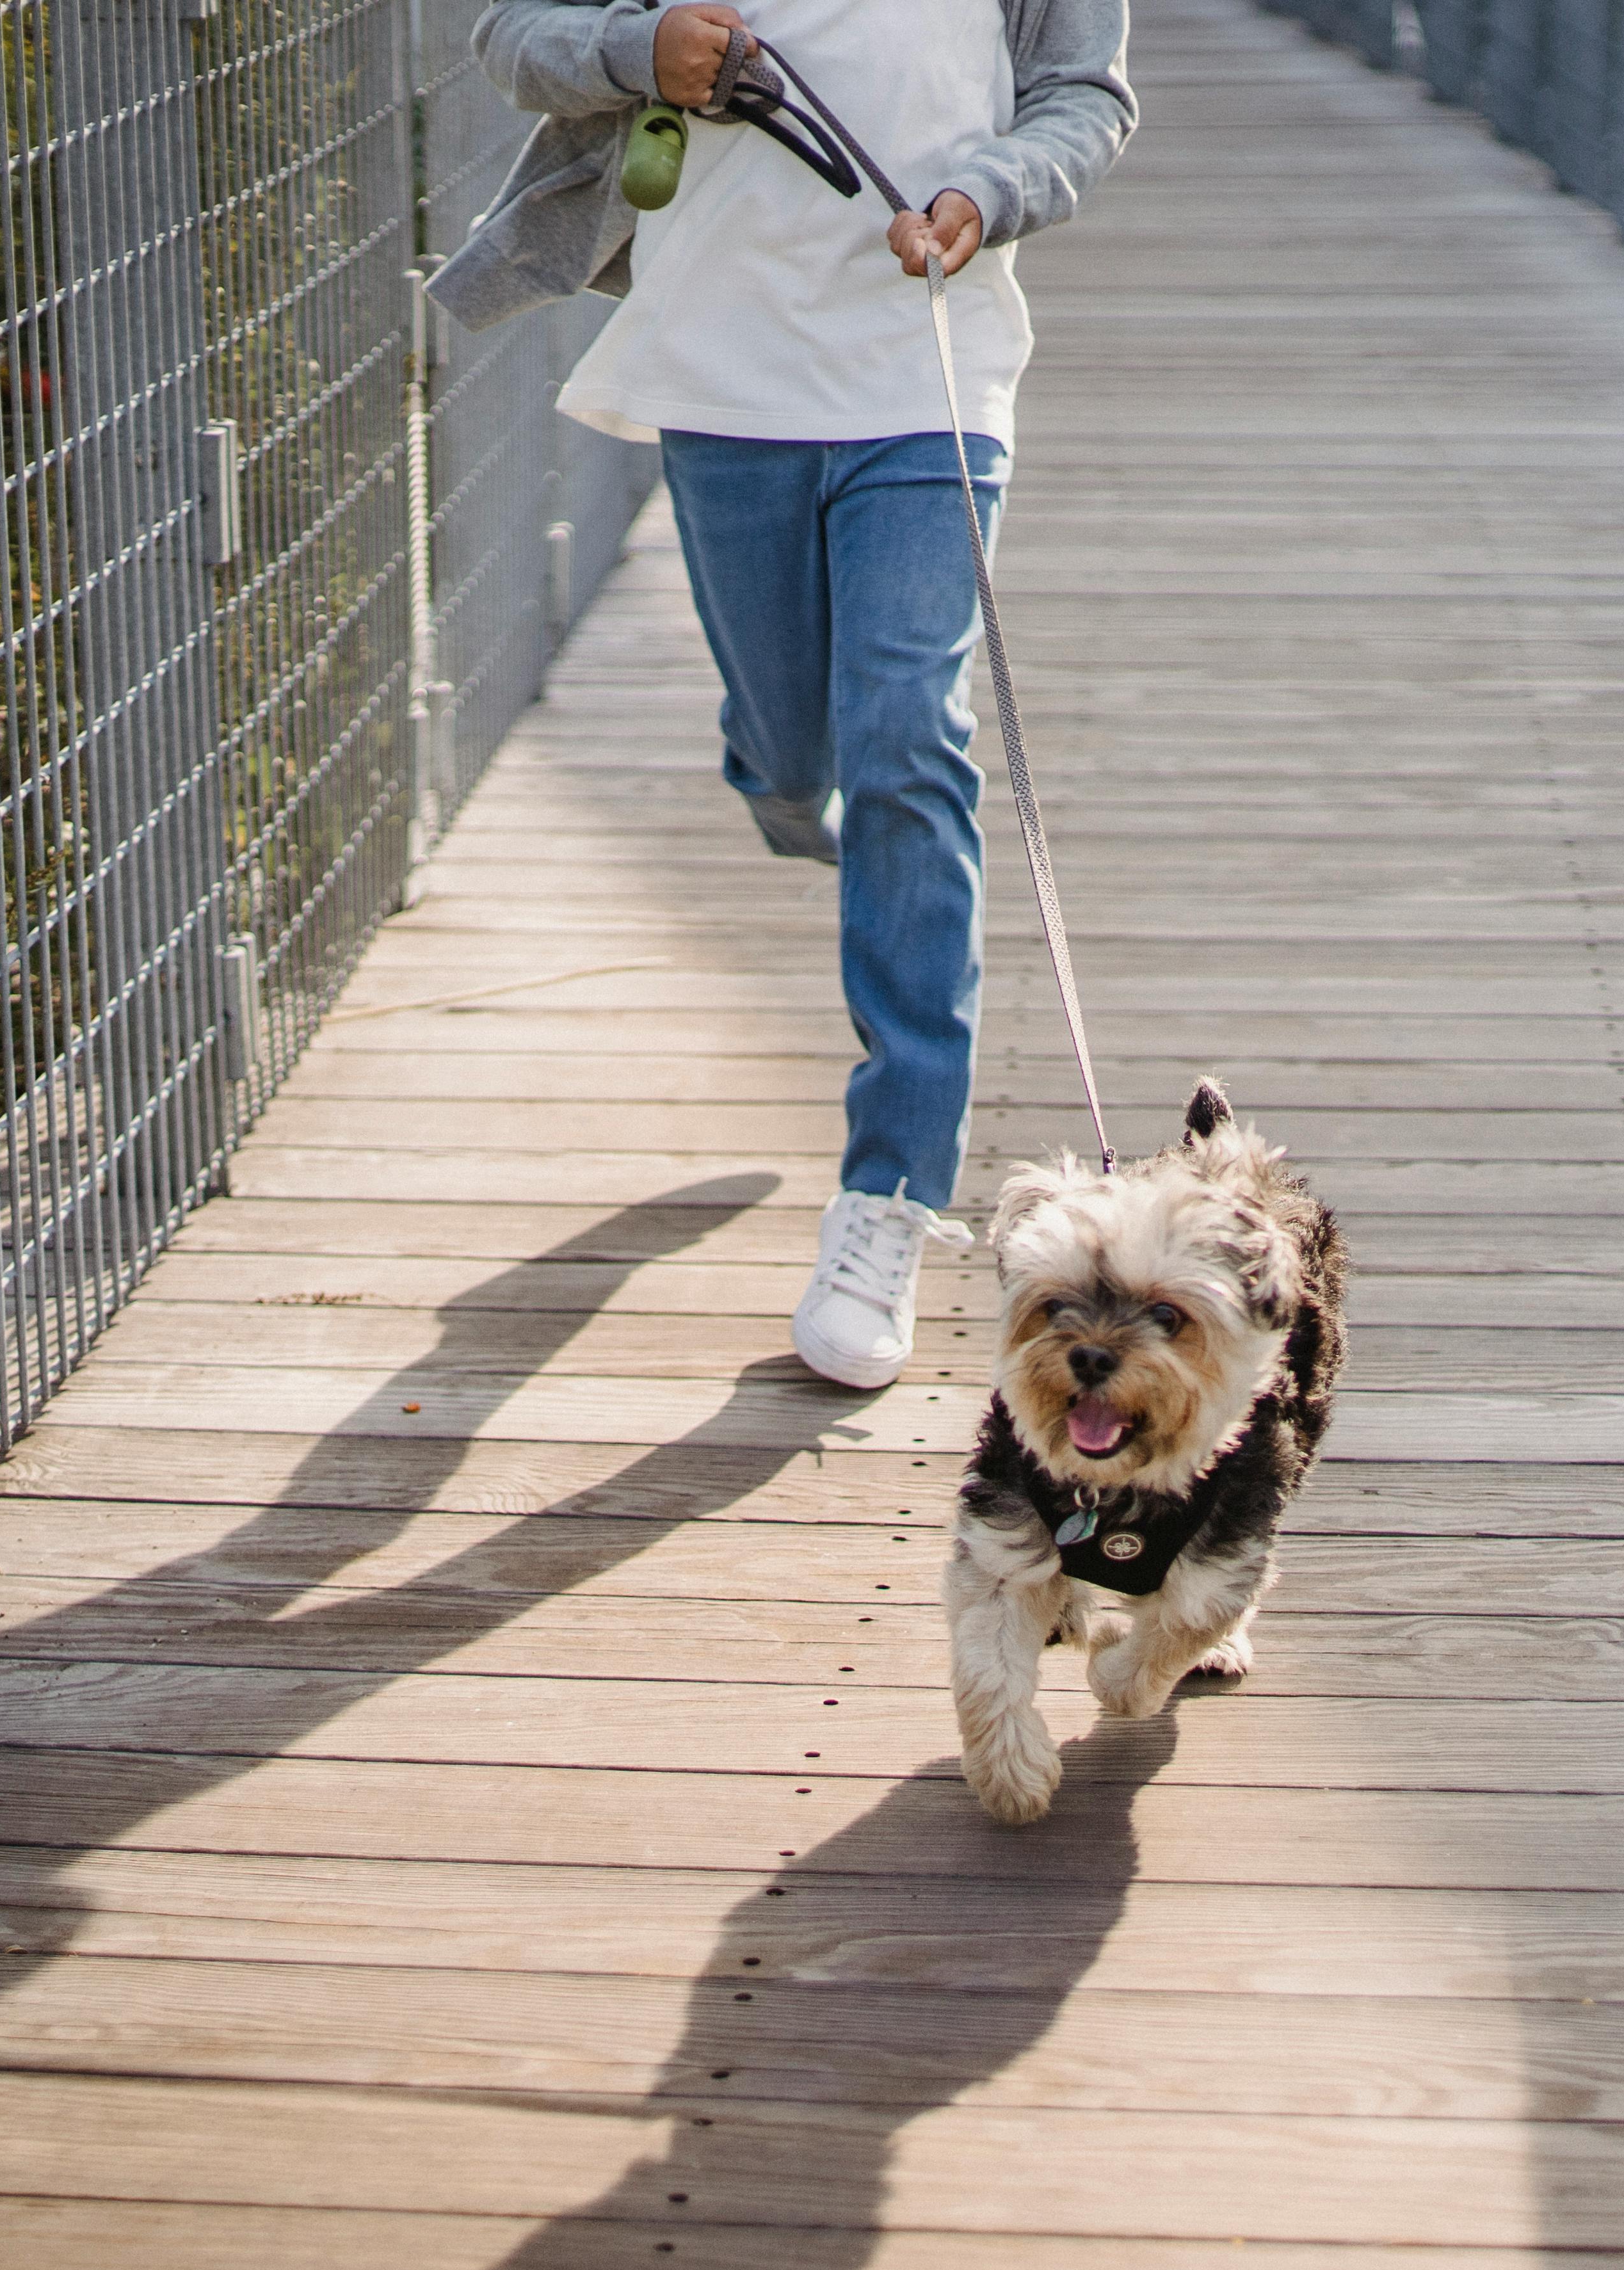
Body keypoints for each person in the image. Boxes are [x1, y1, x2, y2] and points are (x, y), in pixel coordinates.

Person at [431, 0, 1136, 1388]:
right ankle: (772, 765)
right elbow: (510, 37)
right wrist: (645, 57)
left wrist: (982, 197)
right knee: (800, 738)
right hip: (724, 378)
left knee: (908, 737)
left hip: (930, 372)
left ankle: (891, 1195)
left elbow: (1086, 99)